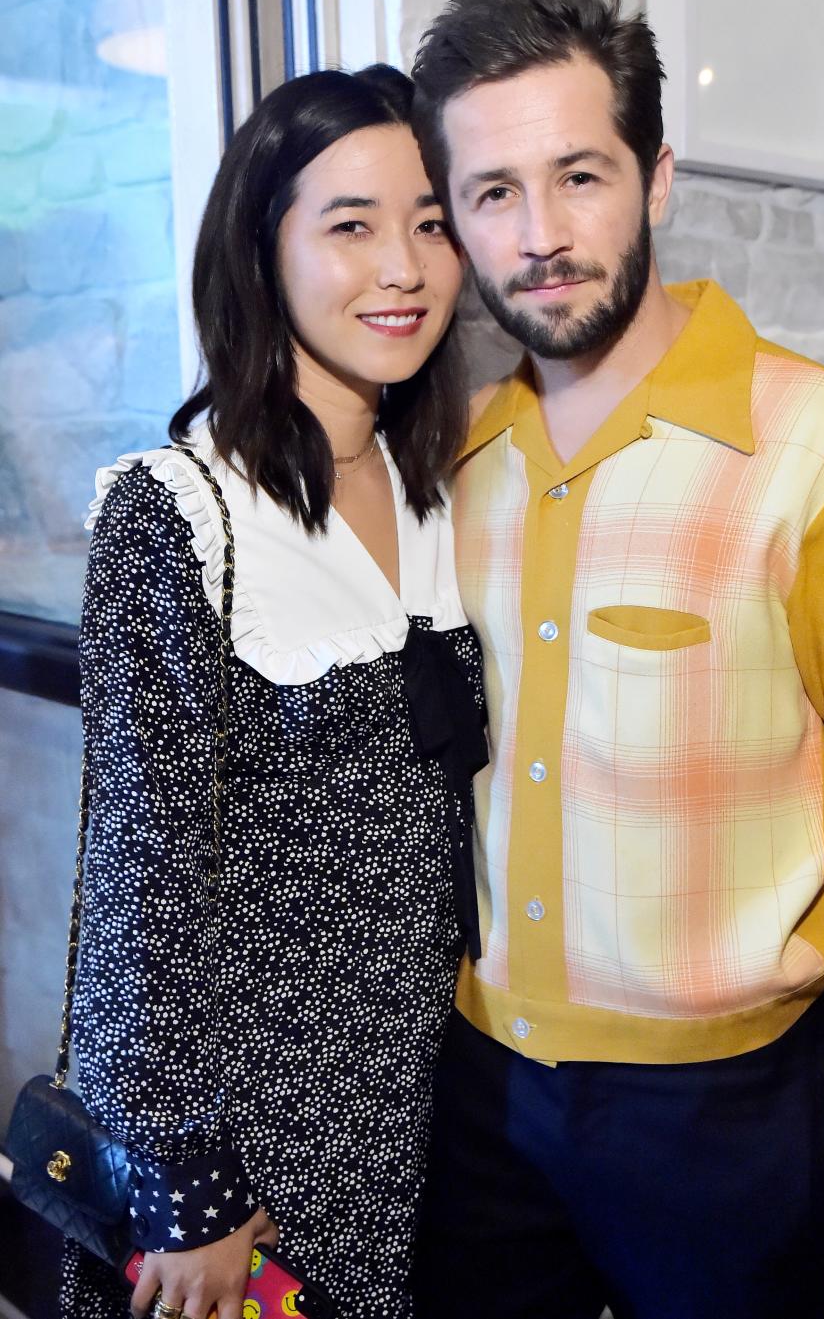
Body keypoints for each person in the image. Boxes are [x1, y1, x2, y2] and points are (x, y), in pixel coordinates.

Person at [408, 0, 824, 1319]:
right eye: (490, 194)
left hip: (728, 1114)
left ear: (655, 179)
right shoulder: (453, 462)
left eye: (578, 175)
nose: (539, 237)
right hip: (479, 1095)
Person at [62, 64, 486, 1319]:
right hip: (250, 1144)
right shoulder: (178, 512)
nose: (402, 267)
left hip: (416, 1109)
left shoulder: (439, 493)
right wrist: (187, 1190)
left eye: (431, 222)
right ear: (263, 245)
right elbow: (140, 877)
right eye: (350, 224)